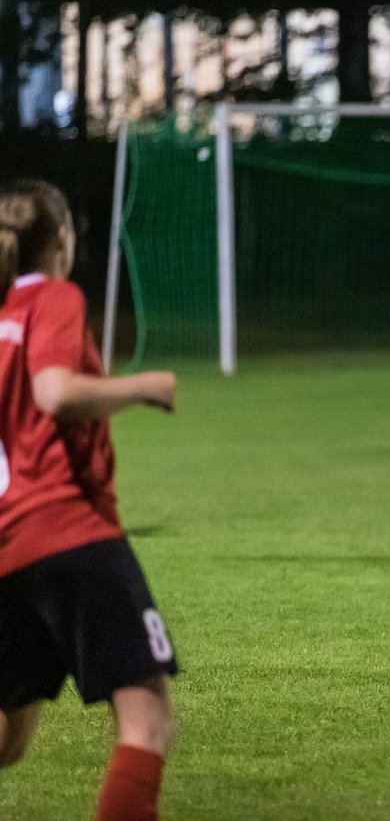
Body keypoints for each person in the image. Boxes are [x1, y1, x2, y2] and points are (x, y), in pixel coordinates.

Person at [0, 180, 179, 819]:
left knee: (9, 741)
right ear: (61, 240)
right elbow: (54, 393)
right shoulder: (50, 297)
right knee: (148, 721)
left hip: (9, 547)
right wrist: (145, 385)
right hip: (70, 533)